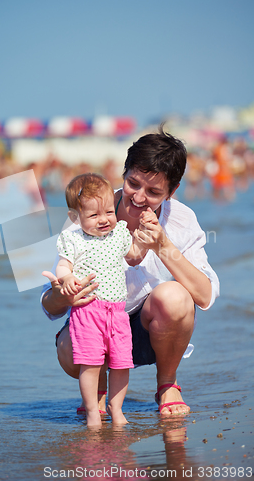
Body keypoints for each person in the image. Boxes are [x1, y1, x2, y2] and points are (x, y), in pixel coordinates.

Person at [41, 127, 220, 417]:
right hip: (97, 327)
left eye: (153, 192)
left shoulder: (182, 219)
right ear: (123, 174)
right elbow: (49, 307)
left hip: (150, 331)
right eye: (133, 183)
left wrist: (163, 245)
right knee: (67, 346)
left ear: (171, 192)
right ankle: (98, 392)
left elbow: (205, 295)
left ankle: (167, 385)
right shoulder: (88, 215)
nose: (138, 197)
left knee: (174, 297)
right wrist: (63, 294)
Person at [44, 174, 147, 426]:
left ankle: (116, 407)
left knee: (122, 363)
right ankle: (92, 410)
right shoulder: (74, 239)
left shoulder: (119, 234)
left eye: (109, 212)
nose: (104, 220)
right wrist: (66, 279)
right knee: (90, 364)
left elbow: (134, 255)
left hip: (118, 312)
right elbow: (63, 265)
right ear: (75, 218)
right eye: (94, 215)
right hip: (88, 311)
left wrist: (145, 240)